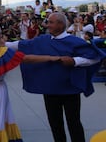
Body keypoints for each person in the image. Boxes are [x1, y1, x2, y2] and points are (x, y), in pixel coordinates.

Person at [6, 12, 106, 142]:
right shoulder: (43, 40)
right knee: (55, 124)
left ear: (60, 24)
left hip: (70, 89)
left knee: (73, 122)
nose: (48, 25)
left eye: (51, 22)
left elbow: (94, 58)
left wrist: (75, 61)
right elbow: (21, 45)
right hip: (50, 89)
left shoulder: (74, 41)